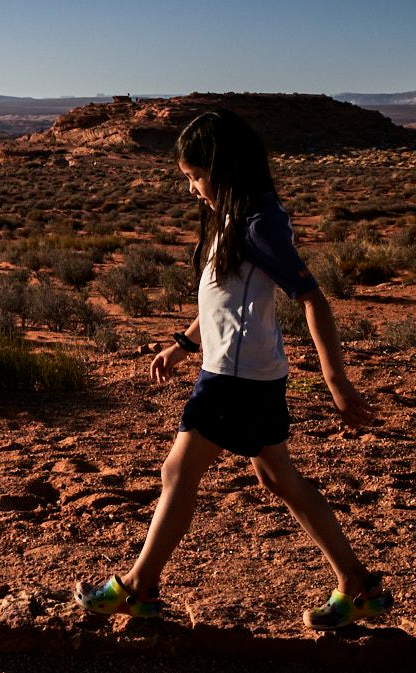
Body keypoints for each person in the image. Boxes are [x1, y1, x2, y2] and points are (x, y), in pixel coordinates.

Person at [74, 110, 392, 631]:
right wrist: (180, 344)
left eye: (197, 177)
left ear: (225, 169)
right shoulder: (238, 215)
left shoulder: (258, 224)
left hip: (235, 379)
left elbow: (312, 299)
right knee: (277, 477)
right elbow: (222, 301)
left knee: (178, 471)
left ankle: (137, 587)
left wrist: (336, 380)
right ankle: (358, 584)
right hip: (249, 373)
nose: (193, 188)